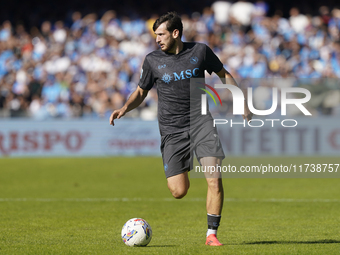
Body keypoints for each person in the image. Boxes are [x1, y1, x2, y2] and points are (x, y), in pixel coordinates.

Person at [109, 12, 252, 246]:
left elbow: (224, 75)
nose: (157, 39)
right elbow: (141, 92)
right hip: (171, 128)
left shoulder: (200, 52)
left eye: (161, 34)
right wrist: (125, 108)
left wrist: (241, 101)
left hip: (201, 122)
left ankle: (211, 234)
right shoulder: (152, 60)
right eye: (156, 35)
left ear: (176, 33)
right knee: (178, 191)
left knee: (214, 179)